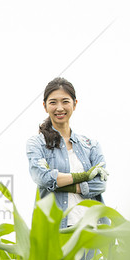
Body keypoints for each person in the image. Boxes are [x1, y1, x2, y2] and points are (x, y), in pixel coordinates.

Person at [26, 77, 108, 231]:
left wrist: (59, 184)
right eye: (53, 102)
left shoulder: (91, 145)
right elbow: (42, 177)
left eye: (65, 101)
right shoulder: (37, 143)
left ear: (74, 104)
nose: (59, 108)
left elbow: (100, 184)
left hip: (91, 229)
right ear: (45, 106)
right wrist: (85, 176)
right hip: (55, 230)